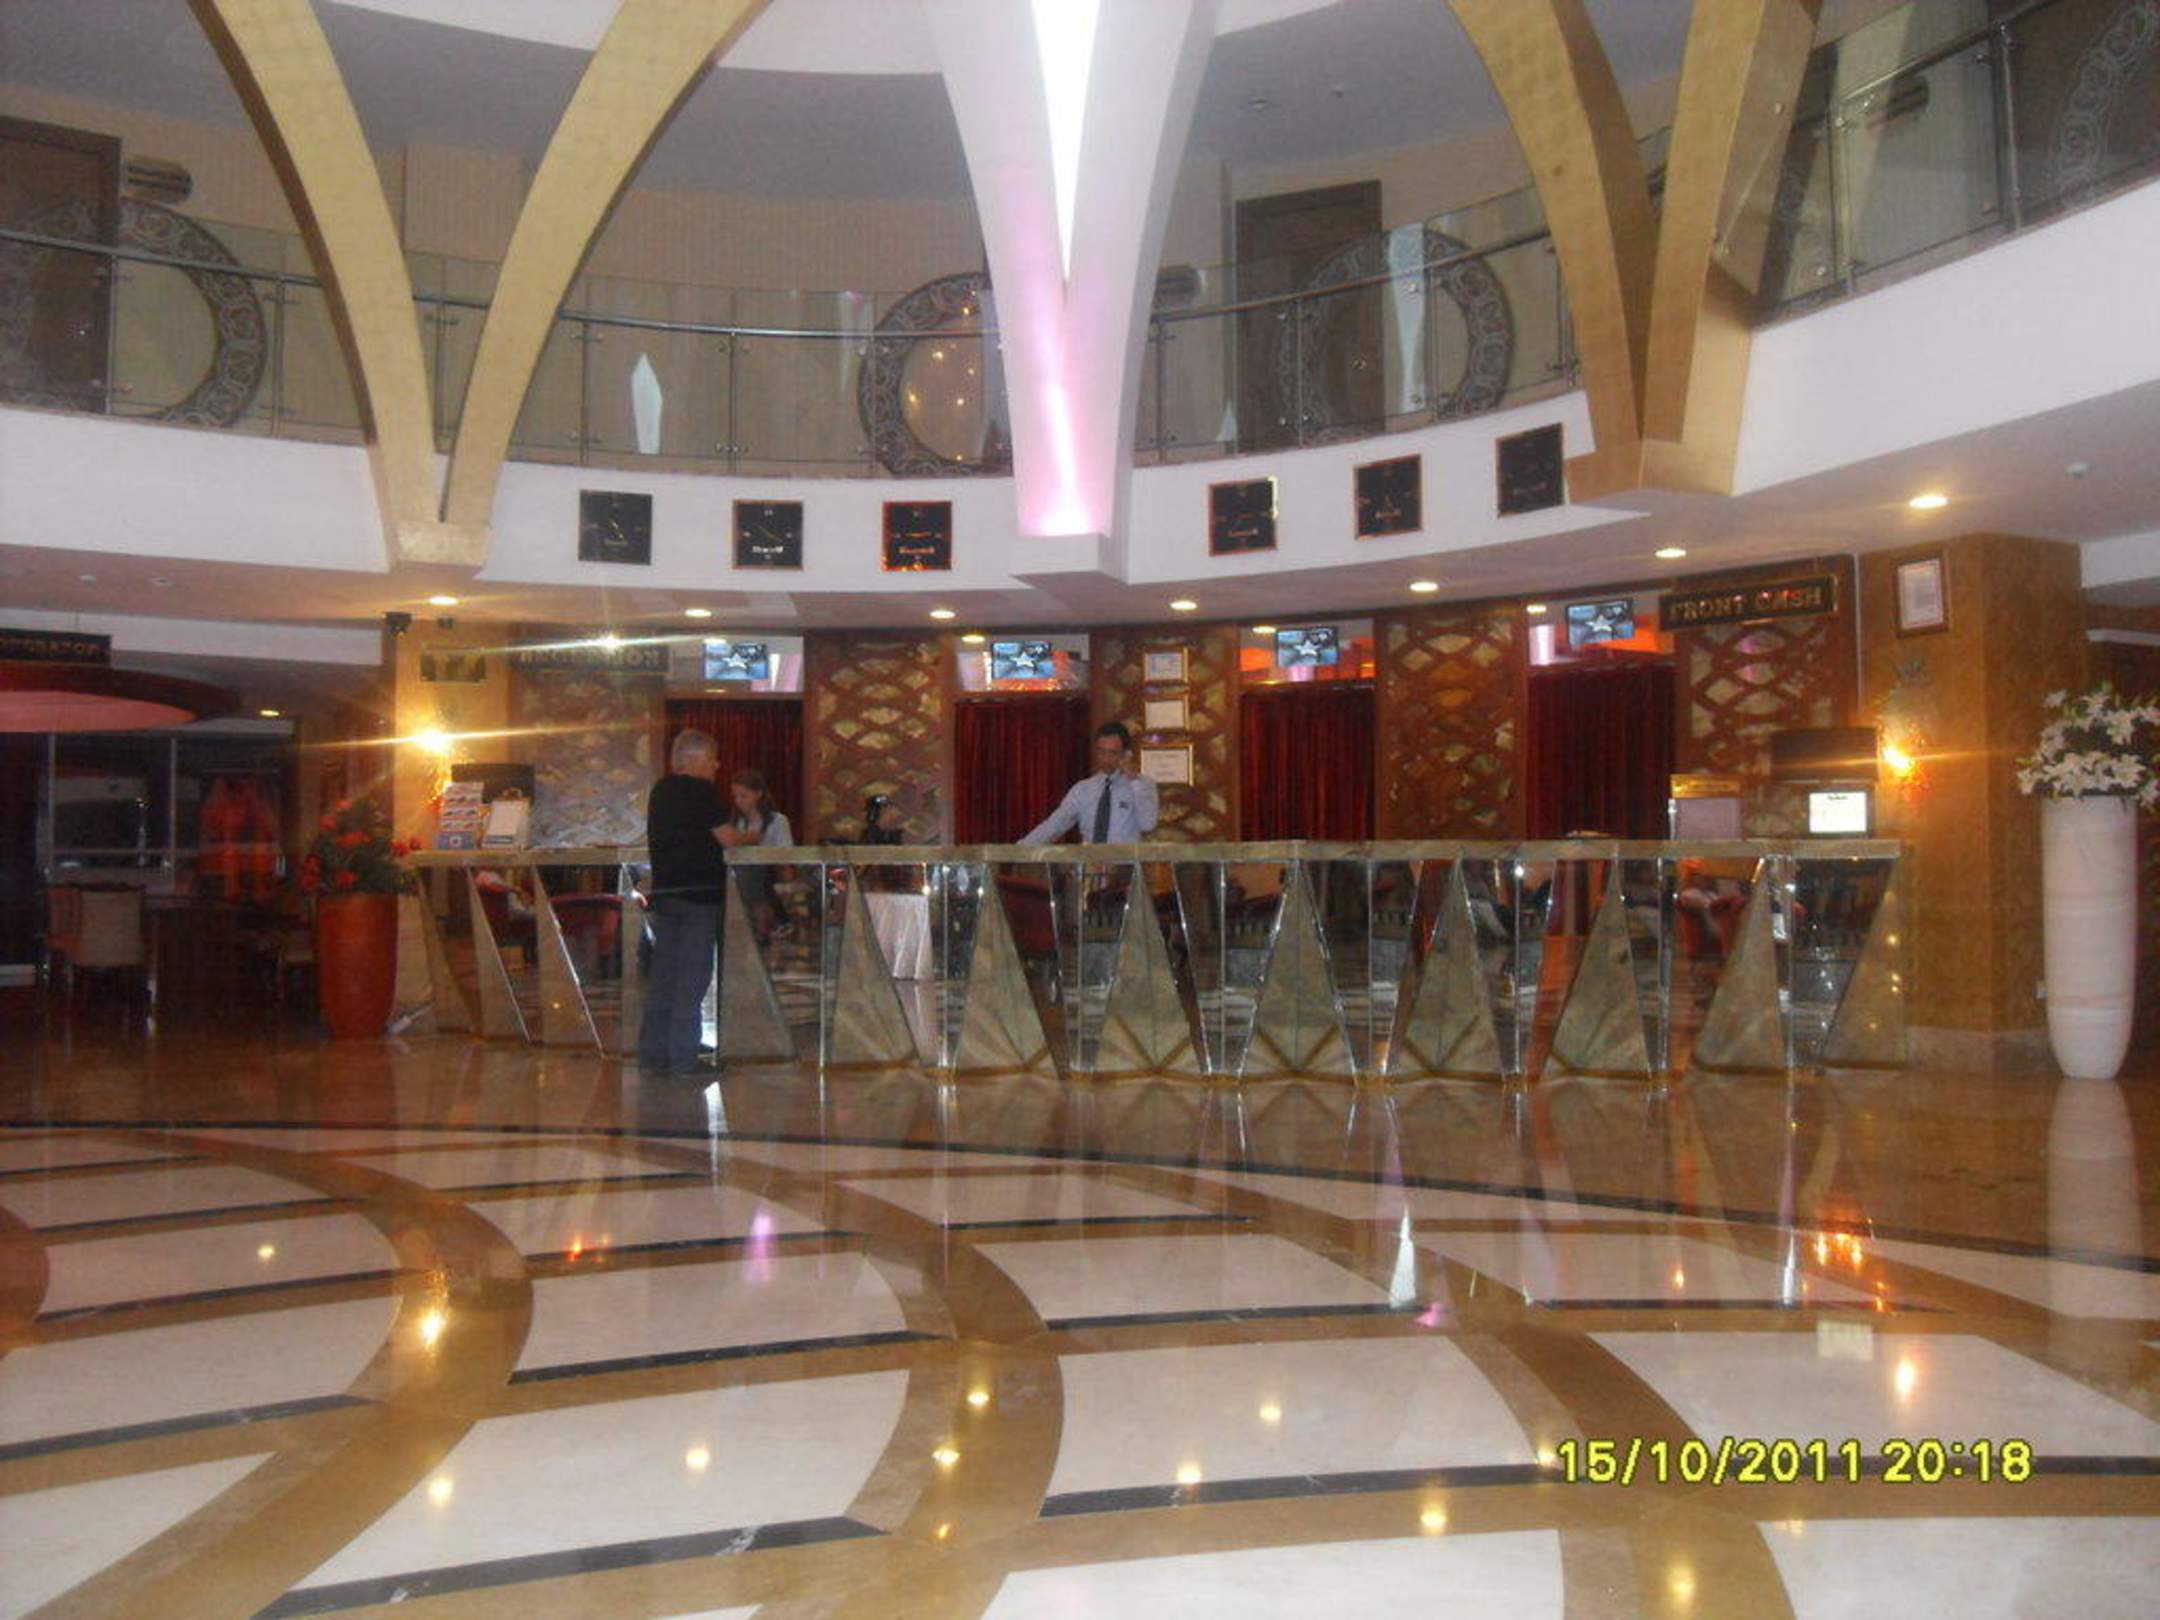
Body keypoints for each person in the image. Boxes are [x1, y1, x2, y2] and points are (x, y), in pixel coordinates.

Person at [637, 730, 728, 1076]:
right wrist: (752, 834)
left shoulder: (661, 790)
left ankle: (654, 1053)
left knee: (664, 977)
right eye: (712, 758)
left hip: (667, 895)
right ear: (696, 758)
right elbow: (728, 838)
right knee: (692, 978)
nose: (717, 765)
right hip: (699, 895)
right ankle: (683, 1058)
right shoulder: (701, 791)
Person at [1020, 721, 1159, 845]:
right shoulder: (1083, 789)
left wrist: (1134, 781)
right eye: (1101, 751)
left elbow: (1148, 824)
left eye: (1112, 753)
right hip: (1090, 863)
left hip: (1125, 864)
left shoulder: (1143, 785)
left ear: (1126, 753)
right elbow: (1055, 824)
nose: (1105, 759)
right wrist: (1019, 850)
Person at [719, 768, 794, 941]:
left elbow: (786, 853)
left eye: (744, 796)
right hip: (742, 872)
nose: (738, 801)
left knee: (753, 875)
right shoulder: (736, 823)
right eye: (735, 797)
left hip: (773, 871)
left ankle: (766, 926)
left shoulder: (777, 821)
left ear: (758, 794)